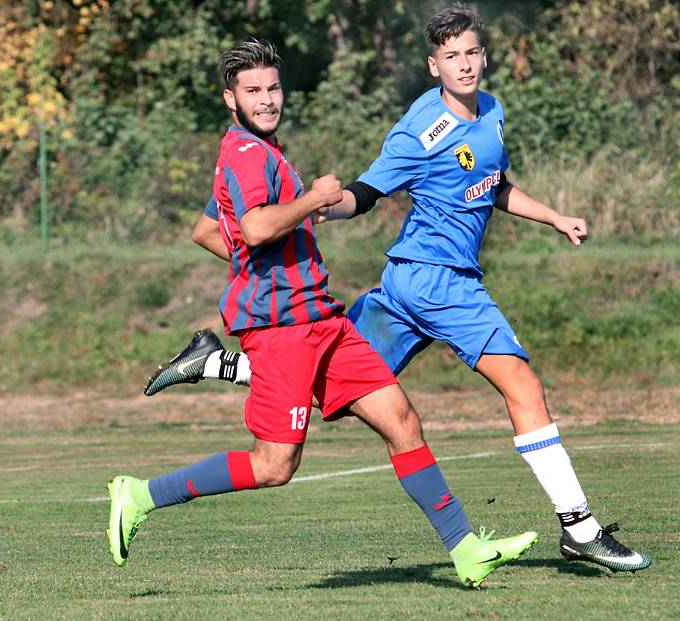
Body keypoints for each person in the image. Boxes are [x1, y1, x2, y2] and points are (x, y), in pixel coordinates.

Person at [145, 5, 652, 574]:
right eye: (451, 56)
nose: (465, 65)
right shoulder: (419, 129)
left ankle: (217, 365)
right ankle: (578, 527)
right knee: (523, 386)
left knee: (325, 394)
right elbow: (364, 194)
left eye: (472, 53)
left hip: (402, 285)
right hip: (440, 284)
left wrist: (555, 217)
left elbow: (494, 187)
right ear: (433, 65)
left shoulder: (492, 113)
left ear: (484, 56)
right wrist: (316, 205)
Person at [109, 38, 538, 589]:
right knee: (273, 467)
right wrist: (312, 201)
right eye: (252, 91)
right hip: (282, 330)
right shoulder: (244, 154)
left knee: (402, 421)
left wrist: (261, 257)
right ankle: (140, 495)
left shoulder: (266, 149)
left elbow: (208, 229)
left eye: (272, 88)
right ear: (229, 99)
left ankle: (466, 550)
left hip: (323, 322)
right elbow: (259, 226)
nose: (267, 100)